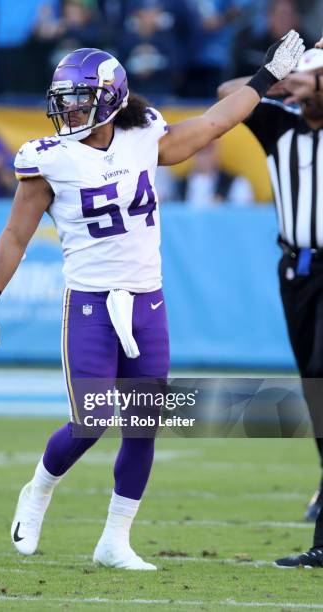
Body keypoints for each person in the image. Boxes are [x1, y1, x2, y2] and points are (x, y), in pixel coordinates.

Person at [0, 37, 304, 569]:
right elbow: (14, 237)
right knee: (90, 420)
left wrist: (265, 77)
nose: (69, 109)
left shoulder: (144, 134)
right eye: (65, 99)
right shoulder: (48, 159)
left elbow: (216, 122)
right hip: (91, 305)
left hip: (146, 301)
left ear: (108, 99)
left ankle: (115, 539)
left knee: (144, 422)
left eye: (79, 99)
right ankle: (37, 491)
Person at [218, 43, 323, 534]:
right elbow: (226, 96)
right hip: (296, 272)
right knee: (312, 383)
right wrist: (277, 77)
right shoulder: (281, 126)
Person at [183, 140, 254, 206]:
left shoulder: (237, 183)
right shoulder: (179, 185)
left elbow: (244, 215)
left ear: (217, 152)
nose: (204, 156)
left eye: (208, 150)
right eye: (200, 151)